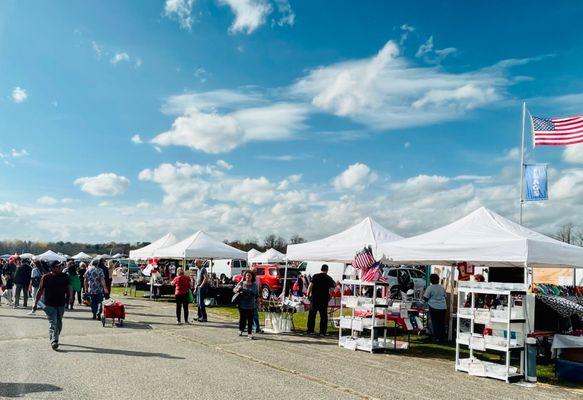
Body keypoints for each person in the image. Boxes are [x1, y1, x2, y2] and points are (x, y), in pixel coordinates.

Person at [32, 261, 72, 350]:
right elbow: (40, 290)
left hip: (61, 303)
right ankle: (54, 340)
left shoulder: (64, 276)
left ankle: (56, 335)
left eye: (61, 266)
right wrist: (35, 302)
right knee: (53, 321)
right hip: (49, 304)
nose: (60, 268)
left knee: (59, 322)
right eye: (58, 266)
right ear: (52, 268)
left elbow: (69, 287)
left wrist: (70, 297)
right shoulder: (46, 277)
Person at [306, 264, 335, 336]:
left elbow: (310, 286)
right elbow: (331, 290)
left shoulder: (315, 276)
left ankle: (310, 330)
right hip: (324, 299)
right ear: (327, 270)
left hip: (315, 298)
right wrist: (330, 297)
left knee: (312, 315)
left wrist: (308, 294)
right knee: (324, 316)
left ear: (321, 269)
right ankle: (322, 332)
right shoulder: (329, 278)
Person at [234, 270, 259, 339]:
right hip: (242, 304)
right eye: (247, 275)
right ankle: (241, 329)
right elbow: (234, 290)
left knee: (250, 320)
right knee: (242, 319)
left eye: (249, 276)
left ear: (252, 277)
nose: (248, 277)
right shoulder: (241, 283)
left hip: (251, 305)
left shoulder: (254, 285)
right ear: (245, 276)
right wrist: (237, 289)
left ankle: (249, 333)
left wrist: (258, 303)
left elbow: (257, 295)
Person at [423, 273, 447, 342]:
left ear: (431, 280)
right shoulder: (441, 287)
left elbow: (425, 298)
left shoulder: (430, 288)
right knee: (441, 322)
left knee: (435, 322)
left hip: (434, 306)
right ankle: (442, 337)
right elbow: (445, 296)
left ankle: (436, 337)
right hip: (443, 307)